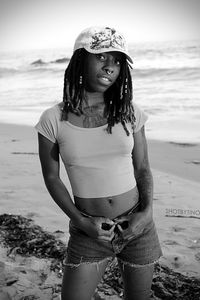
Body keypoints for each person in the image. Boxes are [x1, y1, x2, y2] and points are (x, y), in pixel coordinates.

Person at [35, 26, 162, 300]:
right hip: (88, 230)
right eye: (102, 56)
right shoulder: (52, 120)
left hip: (137, 225)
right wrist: (80, 220)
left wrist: (147, 213)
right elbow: (52, 178)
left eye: (117, 61)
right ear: (80, 59)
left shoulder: (129, 112)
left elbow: (142, 168)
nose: (110, 67)